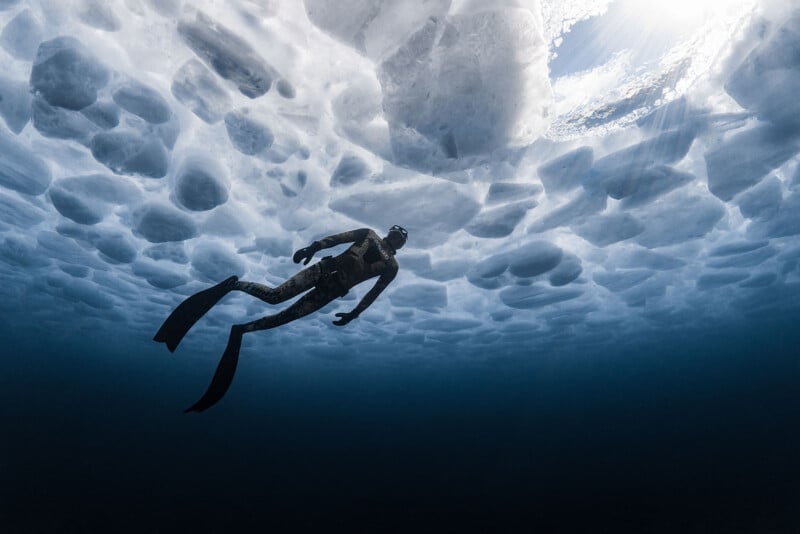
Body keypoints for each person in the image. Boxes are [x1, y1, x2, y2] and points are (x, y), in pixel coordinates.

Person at [154, 225, 408, 412]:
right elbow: (340, 239)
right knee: (275, 297)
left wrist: (355, 313)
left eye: (401, 237)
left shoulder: (392, 267)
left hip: (332, 290)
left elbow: (375, 292)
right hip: (322, 271)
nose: (397, 237)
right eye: (397, 233)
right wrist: (314, 247)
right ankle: (235, 285)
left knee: (283, 316)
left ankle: (242, 329)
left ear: (400, 244)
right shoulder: (368, 234)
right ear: (390, 232)